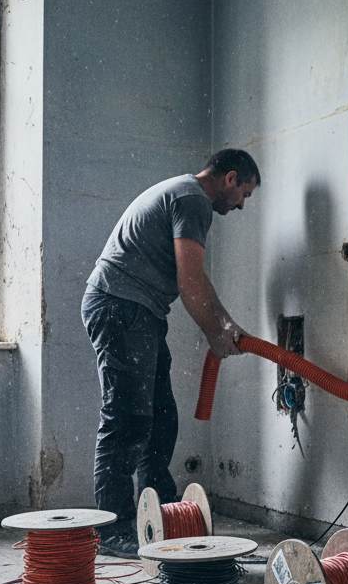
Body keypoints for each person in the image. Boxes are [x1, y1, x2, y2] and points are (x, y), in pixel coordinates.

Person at [82, 149, 259, 558]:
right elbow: (188, 283)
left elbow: (196, 276)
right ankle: (111, 529)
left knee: (160, 417)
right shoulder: (194, 200)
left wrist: (226, 322)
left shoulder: (183, 194)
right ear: (230, 178)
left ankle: (161, 514)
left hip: (135, 310)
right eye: (243, 194)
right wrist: (215, 335)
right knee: (126, 419)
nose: (242, 205)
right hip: (120, 306)